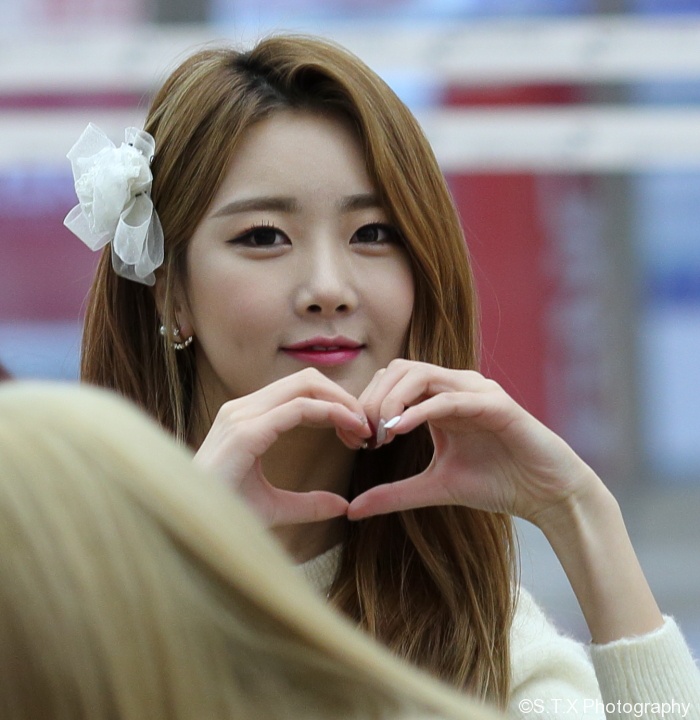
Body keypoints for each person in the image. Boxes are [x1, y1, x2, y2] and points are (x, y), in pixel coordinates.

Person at [67, 36, 700, 717]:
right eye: (264, 236)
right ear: (170, 291)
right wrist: (175, 560)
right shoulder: (55, 566)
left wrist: (578, 510)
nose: (328, 288)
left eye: (372, 233)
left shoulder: (482, 636)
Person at [0, 380, 501, 720]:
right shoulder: (38, 471)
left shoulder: (494, 629)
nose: (328, 292)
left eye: (373, 250)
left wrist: (554, 502)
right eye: (263, 252)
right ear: (173, 296)